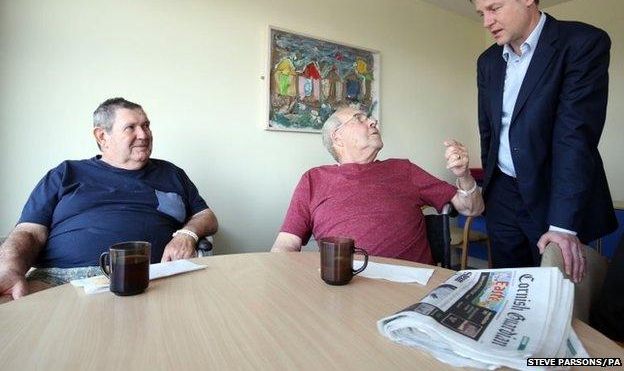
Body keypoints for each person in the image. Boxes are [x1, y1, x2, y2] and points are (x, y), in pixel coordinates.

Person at [466, 0, 617, 282]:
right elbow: (489, 131)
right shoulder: (487, 62)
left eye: (494, 9)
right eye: (481, 13)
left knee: (554, 293)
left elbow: (574, 136)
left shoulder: (582, 44)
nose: (486, 22)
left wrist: (563, 224)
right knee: (504, 286)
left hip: (554, 195)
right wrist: (489, 192)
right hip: (503, 195)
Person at [0, 98, 218, 301]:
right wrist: (10, 269)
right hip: (58, 279)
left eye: (146, 125)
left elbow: (205, 216)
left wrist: (187, 234)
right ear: (102, 136)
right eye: (130, 127)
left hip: (151, 277)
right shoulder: (65, 174)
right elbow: (28, 232)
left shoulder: (171, 174)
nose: (144, 134)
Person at [271, 106, 484, 263]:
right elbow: (287, 244)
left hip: (410, 287)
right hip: (344, 285)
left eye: (371, 118)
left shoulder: (403, 170)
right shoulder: (314, 179)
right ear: (337, 138)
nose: (372, 122)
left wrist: (463, 175)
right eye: (359, 119)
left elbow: (473, 208)